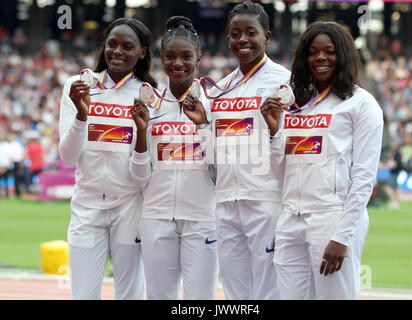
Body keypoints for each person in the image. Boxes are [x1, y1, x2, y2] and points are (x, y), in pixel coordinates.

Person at [263, 21, 383, 299]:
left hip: (332, 217)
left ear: (343, 55)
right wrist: (274, 132)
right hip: (291, 219)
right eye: (313, 52)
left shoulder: (361, 104)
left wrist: (342, 236)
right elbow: (281, 173)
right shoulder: (295, 107)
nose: (320, 58)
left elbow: (364, 178)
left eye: (329, 51)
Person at [58, 18, 156, 300]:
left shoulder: (149, 95)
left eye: (128, 46)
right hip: (87, 206)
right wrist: (81, 115)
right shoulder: (76, 86)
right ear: (104, 46)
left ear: (142, 52)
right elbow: (67, 157)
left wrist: (140, 132)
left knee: (130, 295)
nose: (118, 51)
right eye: (112, 44)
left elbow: (142, 176)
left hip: (130, 206)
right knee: (83, 296)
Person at [206, 1, 291, 300]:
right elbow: (212, 149)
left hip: (267, 201)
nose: (242, 40)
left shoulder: (285, 82)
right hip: (227, 203)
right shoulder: (218, 89)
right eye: (235, 34)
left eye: (250, 33)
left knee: (270, 291)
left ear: (266, 37)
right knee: (235, 293)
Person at [128, 16, 218, 300]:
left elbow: (220, 171)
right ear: (161, 59)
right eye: (170, 56)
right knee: (158, 297)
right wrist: (142, 134)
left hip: (202, 218)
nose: (177, 63)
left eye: (186, 56)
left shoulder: (214, 103)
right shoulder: (149, 105)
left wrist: (204, 126)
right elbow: (139, 177)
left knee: (199, 299)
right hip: (155, 217)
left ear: (199, 58)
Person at [383, 143, 403, 210]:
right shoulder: (397, 153)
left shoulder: (397, 154)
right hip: (396, 173)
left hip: (394, 173)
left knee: (387, 188)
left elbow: (395, 165)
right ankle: (396, 203)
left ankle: (394, 202)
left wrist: (385, 167)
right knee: (395, 188)